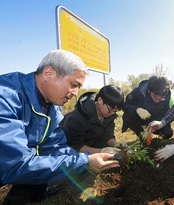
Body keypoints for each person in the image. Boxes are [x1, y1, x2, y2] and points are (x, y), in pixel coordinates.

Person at [0, 50, 120, 204]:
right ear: (48, 74)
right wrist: (85, 162)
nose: (76, 93)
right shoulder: (6, 98)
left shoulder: (53, 107)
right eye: (73, 84)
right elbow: (15, 164)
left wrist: (88, 158)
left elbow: (54, 146)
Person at [60, 85, 124, 154]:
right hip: (67, 152)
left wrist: (116, 144)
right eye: (111, 110)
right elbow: (76, 147)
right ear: (100, 100)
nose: (112, 113)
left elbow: (108, 135)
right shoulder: (77, 118)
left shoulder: (109, 115)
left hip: (91, 146)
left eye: (115, 111)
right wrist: (101, 151)